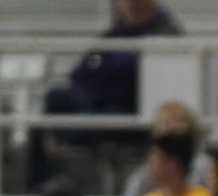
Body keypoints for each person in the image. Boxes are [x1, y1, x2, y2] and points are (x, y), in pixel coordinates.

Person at [29, 0, 184, 181]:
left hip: (130, 111)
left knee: (83, 124)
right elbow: (81, 72)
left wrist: (102, 78)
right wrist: (98, 82)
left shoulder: (165, 34)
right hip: (97, 102)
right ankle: (39, 186)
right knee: (52, 101)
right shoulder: (116, 33)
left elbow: (129, 78)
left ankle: (73, 165)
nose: (130, 5)